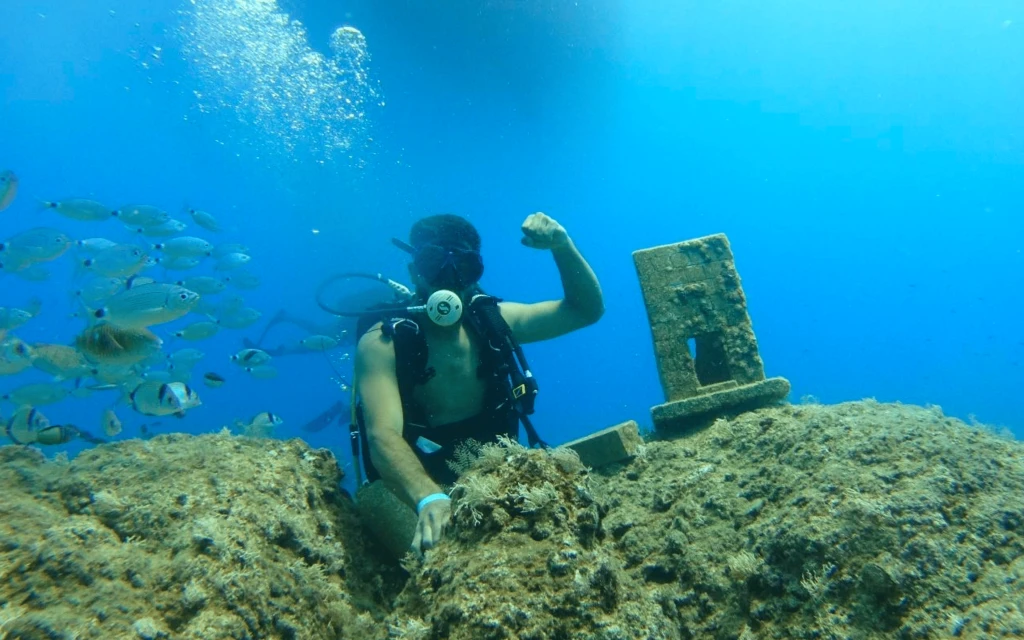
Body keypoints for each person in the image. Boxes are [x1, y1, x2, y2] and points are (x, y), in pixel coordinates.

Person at [354, 212, 604, 554]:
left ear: (476, 273)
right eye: (433, 263)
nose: (449, 278)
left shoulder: (495, 322)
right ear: (414, 270)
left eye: (464, 266)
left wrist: (562, 246)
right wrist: (429, 497)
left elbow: (584, 309)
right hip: (410, 488)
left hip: (493, 474)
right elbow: (382, 436)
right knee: (430, 563)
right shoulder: (383, 343)